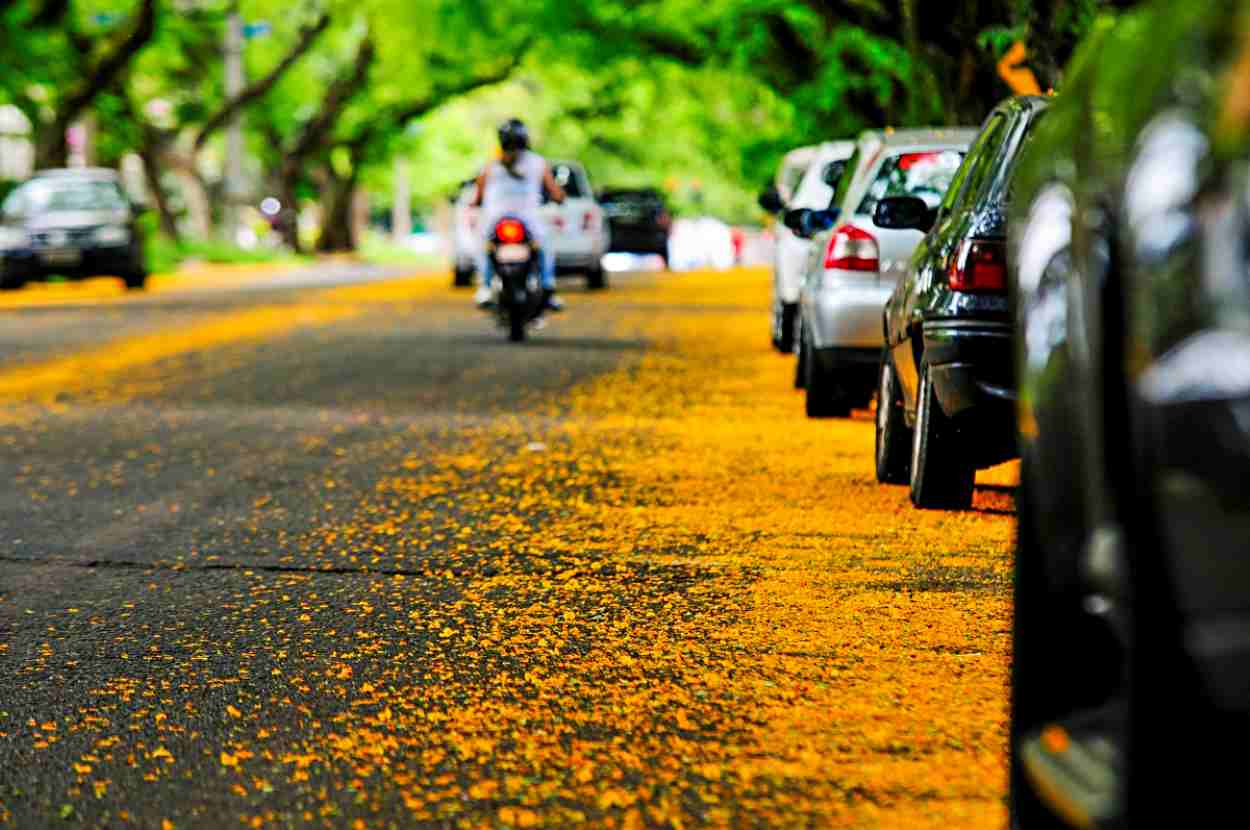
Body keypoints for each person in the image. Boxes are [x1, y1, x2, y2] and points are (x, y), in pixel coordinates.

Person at [471, 119, 566, 311]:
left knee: (483, 245)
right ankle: (548, 288)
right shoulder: (538, 163)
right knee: (544, 246)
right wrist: (559, 196)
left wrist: (476, 203)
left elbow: (478, 194)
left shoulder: (491, 164)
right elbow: (555, 192)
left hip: (495, 218)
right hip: (529, 217)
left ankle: (485, 287)